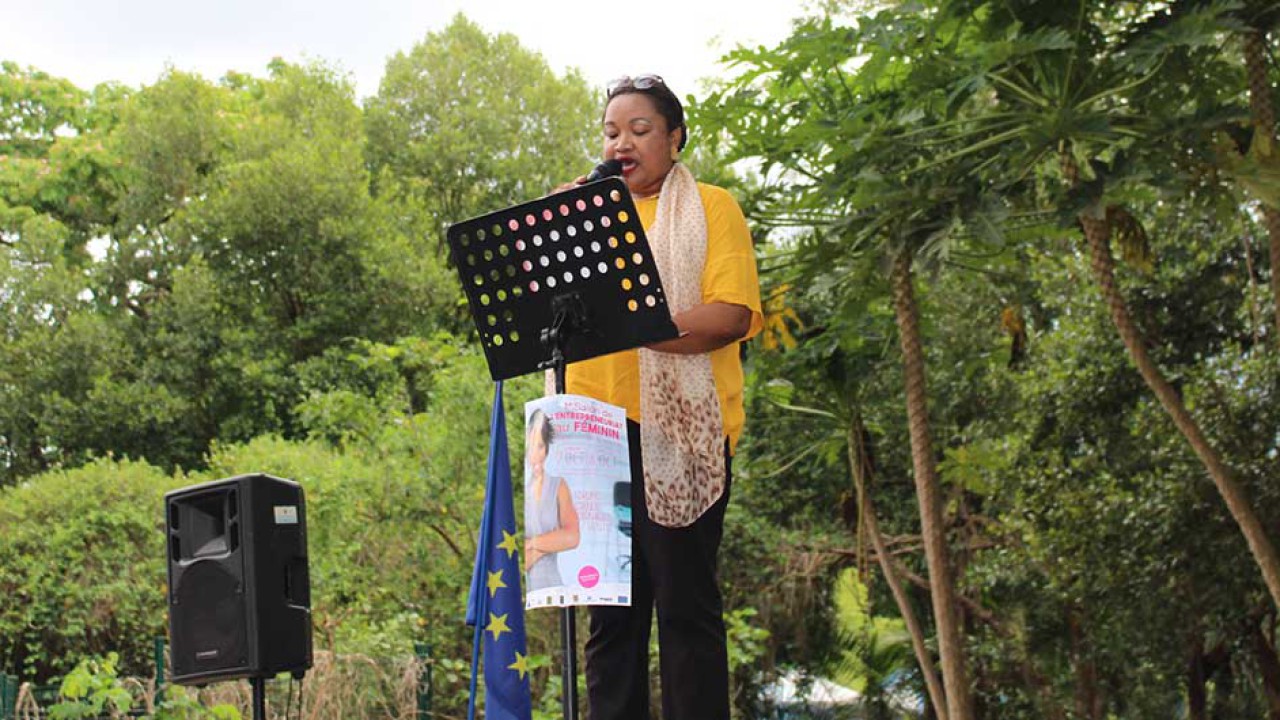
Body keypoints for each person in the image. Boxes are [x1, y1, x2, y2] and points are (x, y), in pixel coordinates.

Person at [558, 74, 762, 720]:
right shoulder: (586, 212)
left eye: (640, 130)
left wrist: (642, 324)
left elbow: (730, 316)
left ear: (674, 138)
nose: (623, 142)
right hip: (591, 437)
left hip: (679, 436)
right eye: (612, 131)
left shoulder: (711, 206)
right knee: (609, 624)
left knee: (684, 613)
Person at [524, 408, 580, 592]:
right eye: (532, 445)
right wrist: (551, 542)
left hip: (553, 587)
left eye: (541, 446)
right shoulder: (521, 489)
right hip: (526, 591)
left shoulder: (558, 485)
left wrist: (532, 544)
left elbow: (572, 536)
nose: (536, 454)